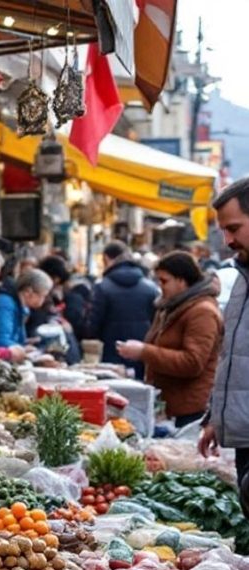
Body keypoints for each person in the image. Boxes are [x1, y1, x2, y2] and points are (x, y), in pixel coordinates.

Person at [115, 251, 222, 428]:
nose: (160, 286)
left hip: (189, 411)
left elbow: (193, 362)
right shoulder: (169, 306)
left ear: (181, 281)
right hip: (168, 406)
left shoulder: (202, 312)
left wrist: (144, 352)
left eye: (164, 281)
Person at [200, 177, 249, 489]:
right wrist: (216, 416)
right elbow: (234, 356)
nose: (228, 240)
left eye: (234, 228)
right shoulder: (242, 279)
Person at [86, 241, 160, 379]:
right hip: (142, 350)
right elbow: (157, 321)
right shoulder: (150, 287)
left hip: (112, 349)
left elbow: (93, 324)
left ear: (107, 259)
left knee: (114, 390)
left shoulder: (102, 287)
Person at [0, 269, 54, 348]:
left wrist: (26, 343)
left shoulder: (21, 307)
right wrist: (23, 349)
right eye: (43, 295)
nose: (44, 300)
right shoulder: (4, 304)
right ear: (28, 292)